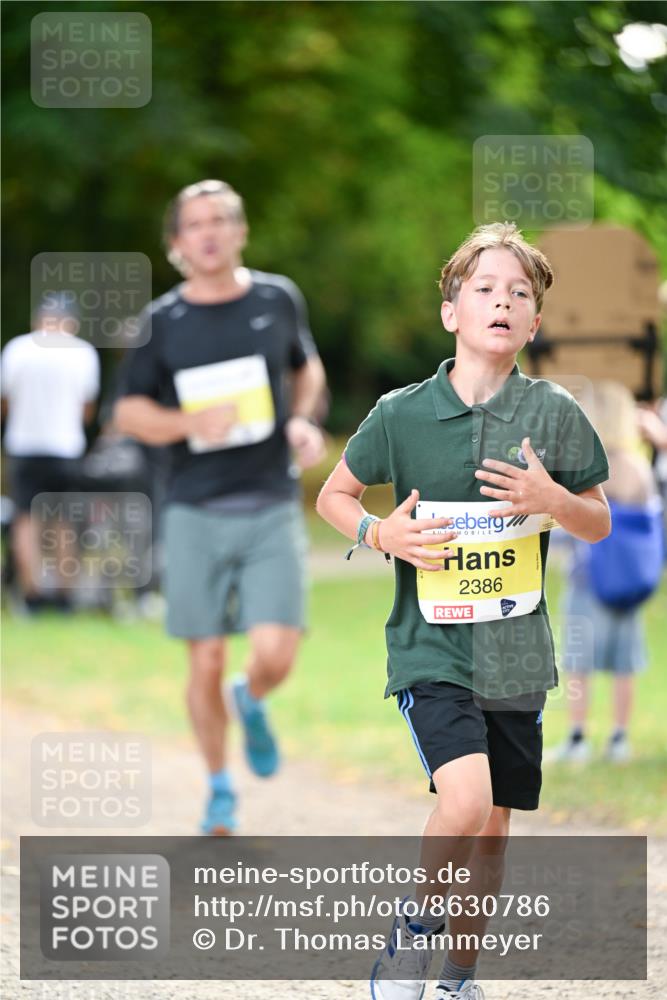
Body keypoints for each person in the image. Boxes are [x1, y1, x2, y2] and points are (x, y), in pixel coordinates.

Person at [317, 222, 610, 1000]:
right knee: (467, 800)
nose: (502, 302)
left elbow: (597, 519)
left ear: (534, 322)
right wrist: (379, 533)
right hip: (431, 647)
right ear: (451, 311)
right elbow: (333, 495)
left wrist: (552, 499)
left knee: (493, 828)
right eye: (484, 288)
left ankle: (457, 980)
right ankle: (413, 933)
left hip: (516, 653)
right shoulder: (400, 414)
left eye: (519, 293)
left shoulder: (553, 412)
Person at [114, 179, 326, 835]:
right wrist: (188, 423)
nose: (208, 233)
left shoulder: (276, 297)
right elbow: (127, 412)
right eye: (195, 224)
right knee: (203, 658)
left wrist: (301, 419)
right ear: (176, 242)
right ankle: (218, 787)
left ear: (240, 231)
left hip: (270, 499)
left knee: (276, 652)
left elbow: (307, 367)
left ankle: (250, 695)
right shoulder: (162, 321)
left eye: (220, 220)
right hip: (194, 506)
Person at [555, 381, 660, 764]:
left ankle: (578, 737)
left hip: (588, 579)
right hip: (630, 582)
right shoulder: (638, 468)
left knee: (578, 661)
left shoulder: (591, 469)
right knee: (623, 663)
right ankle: (619, 738)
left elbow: (572, 524)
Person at [0, 295, 100, 612]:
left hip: (23, 445)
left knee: (26, 520)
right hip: (65, 447)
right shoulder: (82, 352)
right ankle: (64, 595)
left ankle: (32, 595)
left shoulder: (17, 349)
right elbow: (87, 409)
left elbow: (5, 401)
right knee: (64, 522)